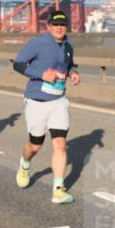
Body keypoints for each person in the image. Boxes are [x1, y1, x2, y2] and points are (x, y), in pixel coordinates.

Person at [12, 10, 81, 204]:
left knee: (60, 144)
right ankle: (25, 164)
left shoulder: (69, 45)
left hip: (58, 101)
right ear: (49, 26)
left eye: (63, 24)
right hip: (37, 101)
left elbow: (68, 65)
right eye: (56, 24)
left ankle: (58, 190)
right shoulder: (38, 43)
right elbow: (18, 64)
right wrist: (41, 75)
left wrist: (73, 72)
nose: (60, 28)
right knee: (35, 146)